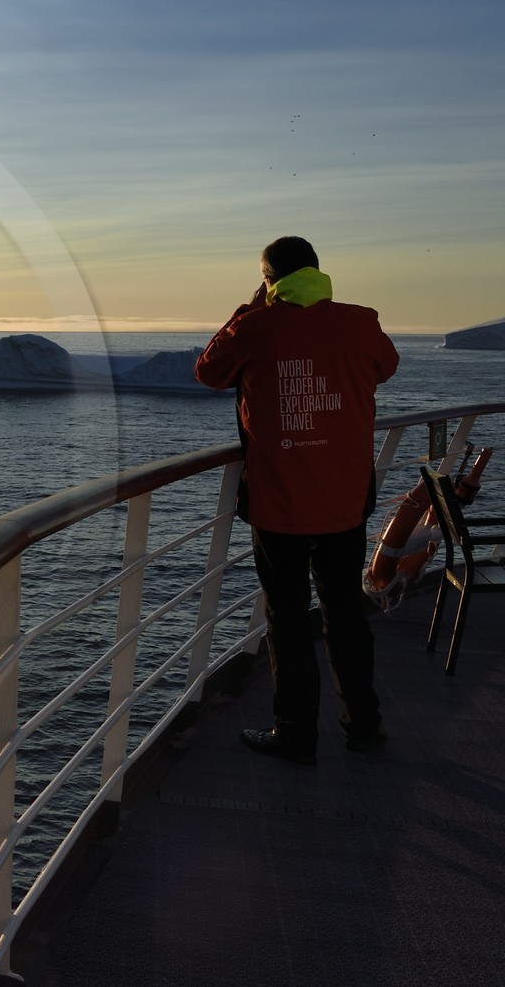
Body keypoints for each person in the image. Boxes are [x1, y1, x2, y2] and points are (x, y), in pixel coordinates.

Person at [195, 236, 400, 764]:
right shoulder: (361, 321)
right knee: (346, 615)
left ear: (269, 280)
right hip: (345, 499)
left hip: (279, 501)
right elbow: (386, 366)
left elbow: (209, 372)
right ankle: (364, 724)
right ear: (315, 271)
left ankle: (295, 733)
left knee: (287, 620)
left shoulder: (255, 325)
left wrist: (248, 308)